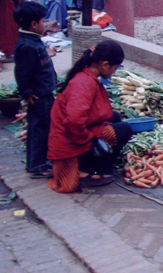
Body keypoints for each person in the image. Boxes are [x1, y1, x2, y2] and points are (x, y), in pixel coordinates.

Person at [47, 41, 133, 193]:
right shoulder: (84, 83)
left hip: (72, 134)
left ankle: (95, 164)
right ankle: (89, 169)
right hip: (70, 142)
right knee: (125, 129)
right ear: (104, 65)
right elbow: (73, 121)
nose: (114, 72)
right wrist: (90, 139)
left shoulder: (87, 75)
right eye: (114, 68)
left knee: (114, 117)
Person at [13, 2, 57, 179]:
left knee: (40, 127)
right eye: (42, 21)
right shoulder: (27, 46)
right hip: (39, 95)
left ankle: (37, 162)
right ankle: (37, 165)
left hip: (44, 92)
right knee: (40, 129)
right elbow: (22, 72)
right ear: (33, 24)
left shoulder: (33, 42)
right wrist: (26, 92)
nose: (43, 24)